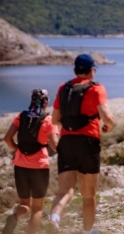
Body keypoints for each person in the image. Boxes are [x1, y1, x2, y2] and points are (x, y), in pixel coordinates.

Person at [46, 54, 115, 234]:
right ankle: (88, 231)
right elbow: (107, 117)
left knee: (64, 191)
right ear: (92, 71)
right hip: (88, 143)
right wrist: (109, 125)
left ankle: (54, 220)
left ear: (75, 70)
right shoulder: (96, 89)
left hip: (67, 142)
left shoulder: (63, 88)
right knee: (88, 195)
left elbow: (55, 118)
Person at [2, 89, 59, 234]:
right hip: (39, 167)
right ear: (46, 102)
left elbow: (7, 138)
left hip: (20, 166)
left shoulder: (21, 116)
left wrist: (16, 149)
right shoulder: (48, 120)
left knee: (24, 205)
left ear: (31, 101)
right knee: (37, 209)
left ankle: (14, 215)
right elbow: (54, 145)